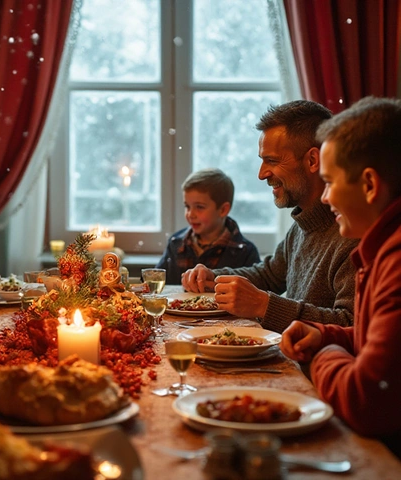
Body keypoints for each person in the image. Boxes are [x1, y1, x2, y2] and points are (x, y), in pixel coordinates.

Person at [280, 97, 401, 455]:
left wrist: (323, 353)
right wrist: (323, 334)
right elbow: (374, 341)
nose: (327, 197)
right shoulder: (379, 246)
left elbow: (367, 402)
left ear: (368, 185)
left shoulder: (395, 258)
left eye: (330, 182)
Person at [183, 100, 358, 333]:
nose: (261, 174)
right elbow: (268, 275)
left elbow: (351, 326)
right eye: (262, 160)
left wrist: (264, 305)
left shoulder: (352, 232)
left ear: (313, 161)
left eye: (272, 161)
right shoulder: (302, 226)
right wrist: (213, 278)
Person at [156, 168, 260, 285]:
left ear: (223, 210)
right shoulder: (176, 243)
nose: (190, 214)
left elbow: (252, 294)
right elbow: (158, 282)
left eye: (199, 207)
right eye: (187, 206)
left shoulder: (245, 252)